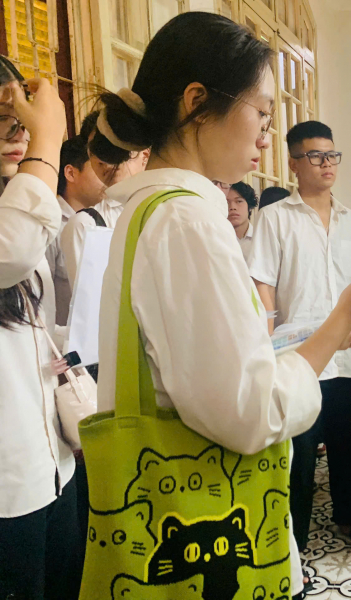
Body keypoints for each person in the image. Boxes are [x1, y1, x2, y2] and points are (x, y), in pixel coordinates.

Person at [89, 13, 351, 599]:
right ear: (197, 103)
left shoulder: (150, 211)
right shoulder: (185, 220)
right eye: (261, 112)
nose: (266, 134)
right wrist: (342, 317)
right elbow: (251, 411)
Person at [249, 120, 351, 554]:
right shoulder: (274, 219)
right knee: (299, 457)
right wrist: (266, 351)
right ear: (294, 164)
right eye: (315, 156)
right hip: (298, 360)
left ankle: (349, 518)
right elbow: (264, 286)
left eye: (331, 155)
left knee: (349, 446)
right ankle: (293, 542)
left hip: (348, 359)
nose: (327, 163)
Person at [0, 63, 83, 599]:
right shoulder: (18, 225)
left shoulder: (16, 207)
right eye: (2, 118)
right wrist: (48, 139)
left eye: (21, 119)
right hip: (7, 484)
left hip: (52, 461)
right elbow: (9, 250)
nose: (17, 132)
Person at [59, 126, 150, 291]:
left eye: (124, 150)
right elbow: (92, 300)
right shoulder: (85, 224)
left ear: (145, 156)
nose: (113, 161)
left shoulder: (165, 207)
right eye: (103, 152)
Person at [47, 130, 106, 325]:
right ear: (71, 173)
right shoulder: (51, 223)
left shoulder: (101, 215)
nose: (105, 174)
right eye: (97, 166)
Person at [226, 180, 257, 258]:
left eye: (239, 201)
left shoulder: (260, 237)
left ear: (249, 206)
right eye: (226, 202)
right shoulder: (216, 238)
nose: (232, 207)